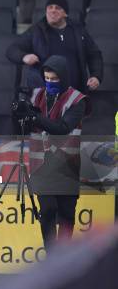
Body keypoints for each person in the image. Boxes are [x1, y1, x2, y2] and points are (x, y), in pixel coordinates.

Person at [25, 56, 88, 250]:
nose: (50, 82)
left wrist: (34, 117)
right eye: (47, 79)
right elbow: (24, 125)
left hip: (67, 164)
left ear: (64, 78)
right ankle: (51, 258)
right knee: (48, 210)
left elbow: (62, 128)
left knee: (68, 214)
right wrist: (21, 115)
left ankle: (62, 257)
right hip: (41, 163)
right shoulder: (36, 96)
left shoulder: (77, 100)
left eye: (54, 79)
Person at [6, 0, 103, 94]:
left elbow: (94, 54)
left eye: (57, 8)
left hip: (74, 94)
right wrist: (24, 56)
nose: (53, 10)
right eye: (50, 7)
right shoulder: (36, 31)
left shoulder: (78, 30)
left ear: (65, 13)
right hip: (44, 94)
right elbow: (12, 50)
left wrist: (96, 76)